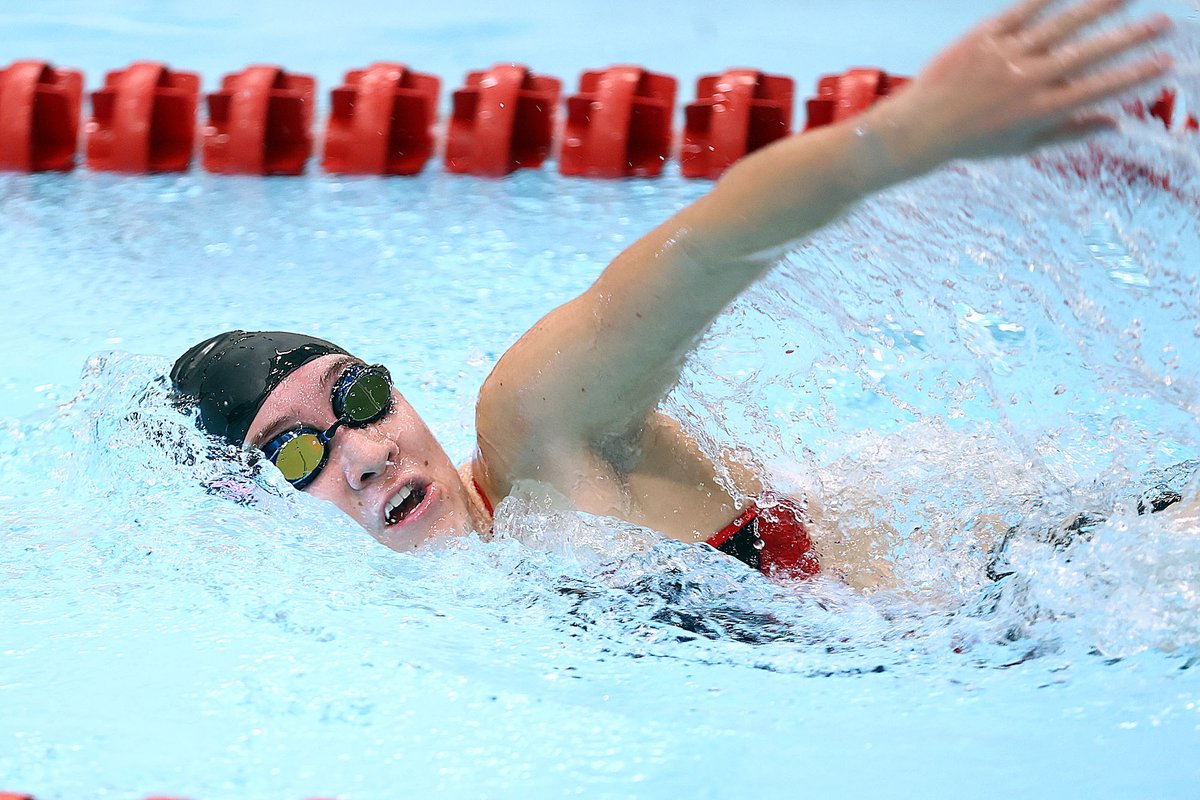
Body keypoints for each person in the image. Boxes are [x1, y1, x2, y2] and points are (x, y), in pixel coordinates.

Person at [170, 0, 1175, 583]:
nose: (366, 451)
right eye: (297, 451)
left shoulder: (539, 430)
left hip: (1089, 579)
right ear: (261, 514)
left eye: (356, 395)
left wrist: (915, 133)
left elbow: (704, 251)